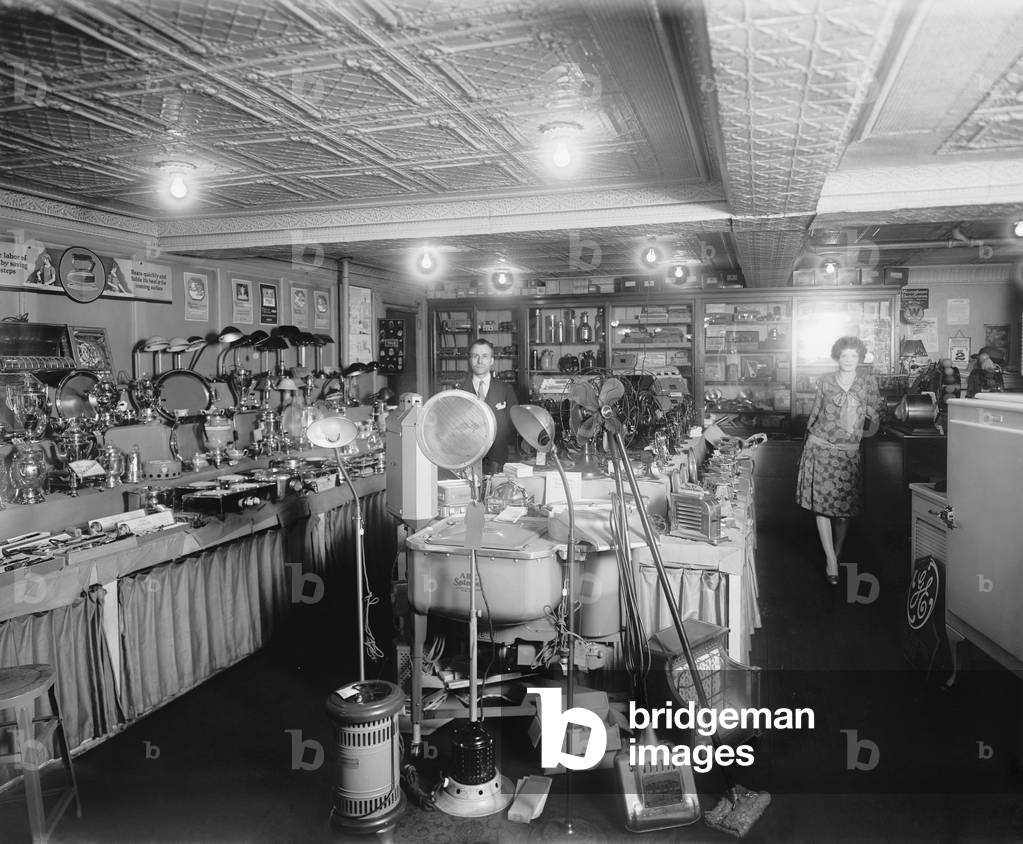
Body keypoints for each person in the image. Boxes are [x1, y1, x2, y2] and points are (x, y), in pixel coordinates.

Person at [796, 336, 881, 585]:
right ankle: (831, 560)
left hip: (847, 451)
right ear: (837, 357)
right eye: (844, 355)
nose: (848, 360)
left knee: (843, 512)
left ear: (860, 358)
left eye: (853, 356)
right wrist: (807, 442)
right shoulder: (825, 381)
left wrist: (864, 426)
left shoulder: (867, 383)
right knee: (821, 507)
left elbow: (877, 414)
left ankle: (837, 549)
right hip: (820, 446)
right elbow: (815, 412)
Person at [457, 338, 518, 474]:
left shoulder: (505, 389)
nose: (480, 361)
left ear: (491, 360)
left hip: (499, 461)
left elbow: (514, 426)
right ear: (469, 360)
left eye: (485, 356)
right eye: (475, 356)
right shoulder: (458, 392)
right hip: (467, 461)